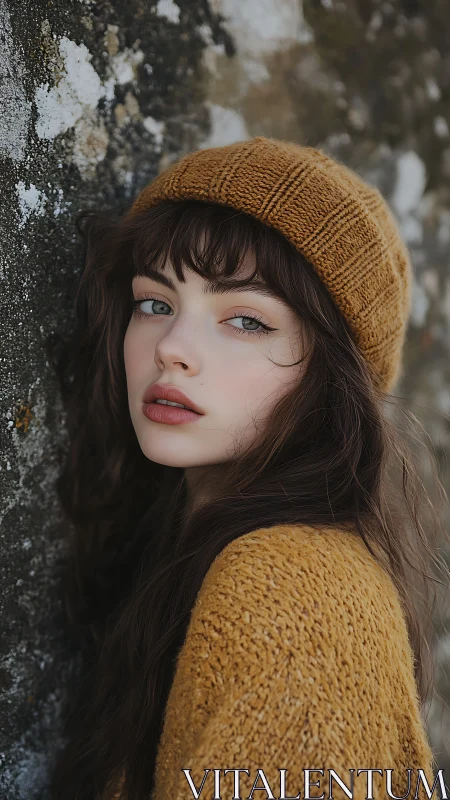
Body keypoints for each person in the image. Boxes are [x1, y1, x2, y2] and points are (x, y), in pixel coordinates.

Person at [50, 137, 449, 800]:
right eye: (155, 303)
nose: (173, 349)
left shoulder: (291, 588)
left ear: (330, 376)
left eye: (245, 320)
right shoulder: (192, 548)